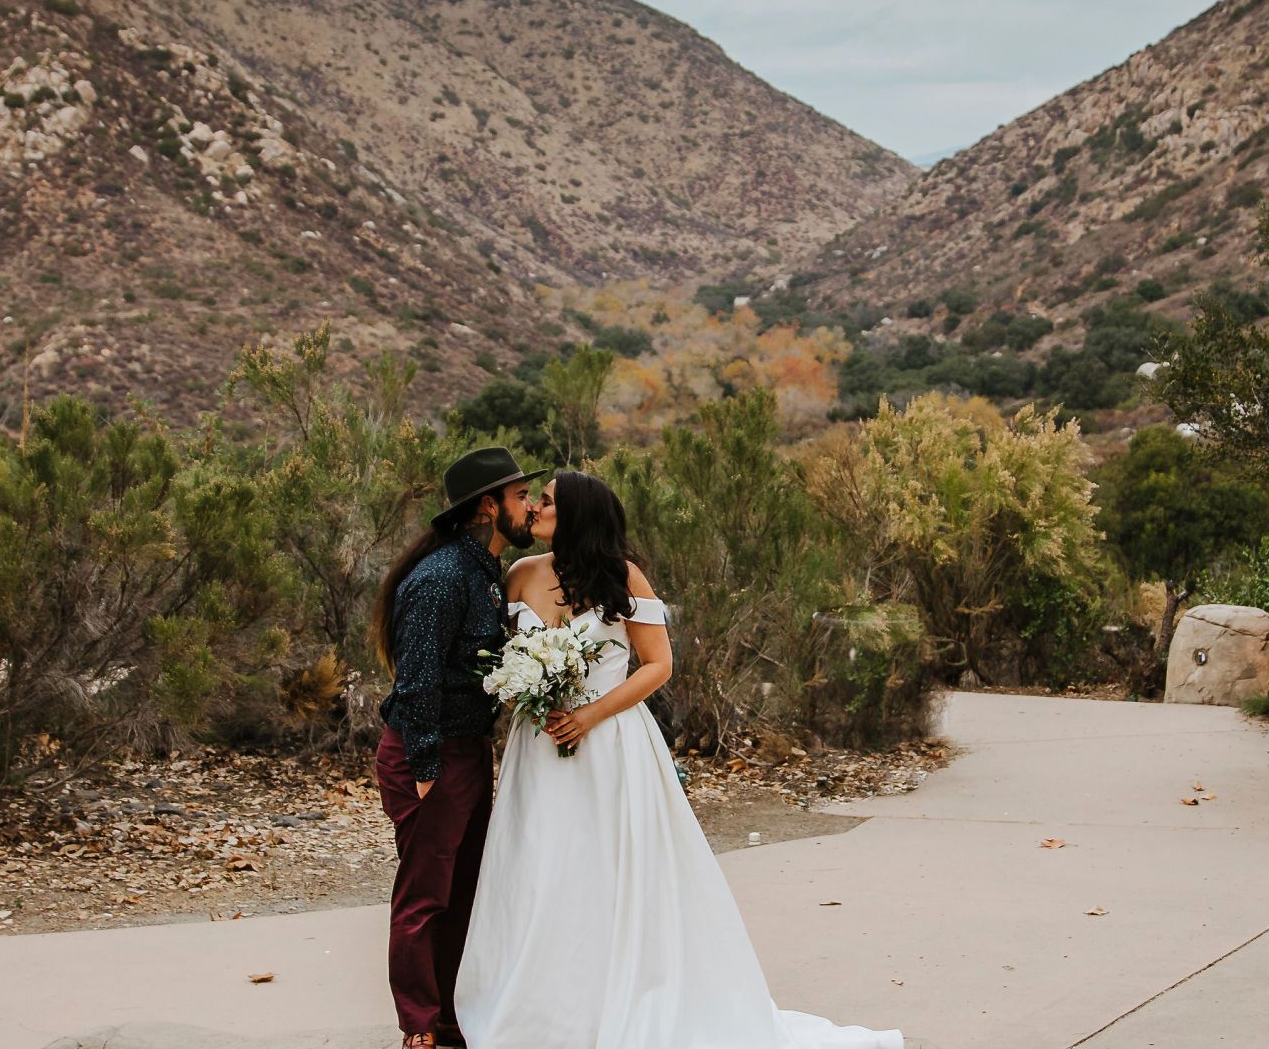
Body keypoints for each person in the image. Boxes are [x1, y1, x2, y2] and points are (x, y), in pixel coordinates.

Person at [454, 470, 904, 1049]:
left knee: (613, 868)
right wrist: (527, 694)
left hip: (611, 746)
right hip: (538, 750)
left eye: (547, 501)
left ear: (582, 515)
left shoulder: (623, 577)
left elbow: (657, 665)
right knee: (541, 866)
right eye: (535, 500)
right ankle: (541, 1009)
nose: (535, 508)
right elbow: (503, 658)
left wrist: (589, 716)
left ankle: (627, 996)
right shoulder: (519, 576)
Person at [372, 445, 552, 1049]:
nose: (529, 506)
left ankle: (452, 1019)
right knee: (425, 892)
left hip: (469, 751)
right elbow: (415, 677)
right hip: (429, 754)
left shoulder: (484, 571)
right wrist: (424, 765)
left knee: (466, 888)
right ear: (487, 506)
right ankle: (419, 1027)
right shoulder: (443, 576)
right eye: (521, 496)